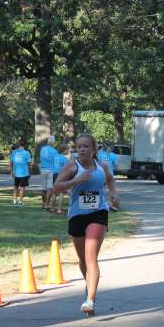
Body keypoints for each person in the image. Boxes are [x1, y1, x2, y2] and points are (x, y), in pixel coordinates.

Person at [54, 133, 119, 315]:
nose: (82, 150)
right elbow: (57, 187)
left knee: (91, 257)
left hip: (98, 213)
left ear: (93, 149)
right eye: (79, 147)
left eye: (85, 147)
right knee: (82, 259)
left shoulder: (102, 167)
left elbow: (111, 180)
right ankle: (90, 286)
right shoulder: (71, 167)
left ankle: (90, 299)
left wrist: (114, 195)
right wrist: (75, 180)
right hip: (76, 215)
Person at [10, 139, 32, 206]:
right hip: (24, 173)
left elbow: (11, 162)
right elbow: (29, 164)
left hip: (16, 172)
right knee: (22, 187)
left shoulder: (14, 152)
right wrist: (30, 172)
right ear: (25, 145)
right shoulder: (27, 153)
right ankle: (20, 201)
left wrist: (11, 171)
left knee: (15, 186)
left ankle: (14, 200)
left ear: (18, 144)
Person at [97, 142, 119, 211]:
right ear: (112, 148)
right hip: (110, 175)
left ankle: (98, 204)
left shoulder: (99, 154)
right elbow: (116, 166)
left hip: (100, 174)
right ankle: (112, 205)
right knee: (111, 191)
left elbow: (96, 162)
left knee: (99, 189)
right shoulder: (113, 155)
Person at [39, 135, 57, 210]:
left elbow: (40, 158)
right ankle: (47, 204)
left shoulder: (42, 149)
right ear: (53, 142)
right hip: (51, 170)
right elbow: (56, 162)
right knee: (50, 188)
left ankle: (43, 203)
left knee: (43, 187)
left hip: (43, 169)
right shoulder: (55, 151)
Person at [50, 143, 68, 214]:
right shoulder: (64, 158)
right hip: (60, 175)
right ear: (64, 150)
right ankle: (59, 209)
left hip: (54, 175)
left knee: (55, 192)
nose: (68, 151)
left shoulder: (55, 157)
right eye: (67, 150)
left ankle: (52, 208)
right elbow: (67, 169)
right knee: (61, 193)